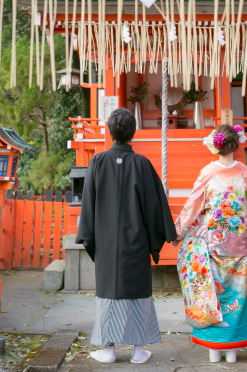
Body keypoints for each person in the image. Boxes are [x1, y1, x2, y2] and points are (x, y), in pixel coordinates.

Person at [76, 108, 177, 364]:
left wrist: (89, 237)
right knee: (137, 293)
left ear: (110, 131)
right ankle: (138, 351)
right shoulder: (142, 164)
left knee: (109, 292)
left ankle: (107, 350)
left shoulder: (97, 162)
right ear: (132, 133)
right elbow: (156, 206)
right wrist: (160, 237)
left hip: (106, 242)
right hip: (137, 241)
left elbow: (88, 205)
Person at [173, 124, 247, 363]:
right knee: (239, 296)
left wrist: (177, 232)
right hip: (242, 245)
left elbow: (193, 207)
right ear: (236, 144)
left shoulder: (207, 172)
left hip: (213, 246)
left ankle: (214, 350)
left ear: (215, 145)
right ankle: (232, 351)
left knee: (213, 295)